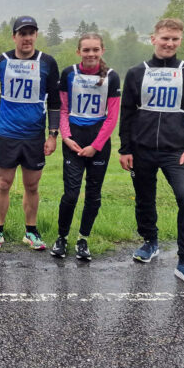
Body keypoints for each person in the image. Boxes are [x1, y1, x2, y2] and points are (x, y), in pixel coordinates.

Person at [119, 18, 184, 289]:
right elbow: (127, 113)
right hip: (141, 149)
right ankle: (150, 241)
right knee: (144, 198)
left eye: (174, 39)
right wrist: (125, 149)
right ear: (153, 38)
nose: (169, 43)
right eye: (165, 38)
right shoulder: (136, 72)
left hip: (177, 152)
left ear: (180, 40)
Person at [0, 16, 60, 251]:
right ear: (14, 37)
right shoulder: (1, 61)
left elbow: (55, 102)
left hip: (34, 135)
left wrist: (53, 135)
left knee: (32, 186)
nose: (27, 38)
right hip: (8, 134)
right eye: (22, 33)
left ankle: (31, 232)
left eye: (31, 33)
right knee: (4, 183)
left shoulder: (47, 62)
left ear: (36, 35)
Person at [51, 33, 120, 261]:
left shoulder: (112, 77)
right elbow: (63, 109)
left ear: (102, 51)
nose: (91, 54)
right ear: (78, 51)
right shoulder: (68, 73)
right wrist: (66, 137)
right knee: (70, 194)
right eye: (86, 50)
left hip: (98, 144)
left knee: (93, 195)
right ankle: (61, 238)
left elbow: (112, 117)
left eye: (95, 50)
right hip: (73, 141)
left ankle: (83, 239)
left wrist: (95, 146)